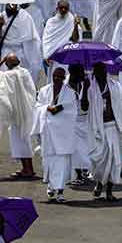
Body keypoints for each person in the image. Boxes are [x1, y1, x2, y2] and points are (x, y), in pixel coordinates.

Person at [85, 61, 122, 202]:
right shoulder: (90, 88)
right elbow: (84, 107)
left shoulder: (115, 87)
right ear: (94, 71)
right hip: (98, 130)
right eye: (97, 70)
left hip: (114, 128)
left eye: (102, 70)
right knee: (99, 161)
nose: (100, 73)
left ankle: (109, 191)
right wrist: (84, 91)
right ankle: (99, 183)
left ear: (106, 71)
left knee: (115, 161)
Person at [32, 67, 77, 202]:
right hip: (48, 133)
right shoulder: (44, 90)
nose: (56, 79)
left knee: (62, 162)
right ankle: (51, 186)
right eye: (55, 76)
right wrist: (47, 108)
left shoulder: (70, 93)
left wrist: (60, 107)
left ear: (64, 79)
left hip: (63, 134)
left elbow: (72, 110)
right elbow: (38, 106)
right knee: (49, 160)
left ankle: (61, 192)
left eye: (59, 77)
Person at [0, 55, 37, 178]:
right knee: (23, 140)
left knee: (20, 141)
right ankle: (27, 168)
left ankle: (28, 169)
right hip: (26, 110)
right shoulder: (24, 72)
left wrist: (2, 61)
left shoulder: (9, 75)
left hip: (17, 113)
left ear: (8, 64)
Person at [0, 3, 41, 79]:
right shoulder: (0, 16)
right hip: (5, 53)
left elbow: (31, 38)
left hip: (19, 54)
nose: (11, 6)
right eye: (9, 4)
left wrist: (29, 56)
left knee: (18, 78)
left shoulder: (25, 17)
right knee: (5, 78)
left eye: (13, 4)